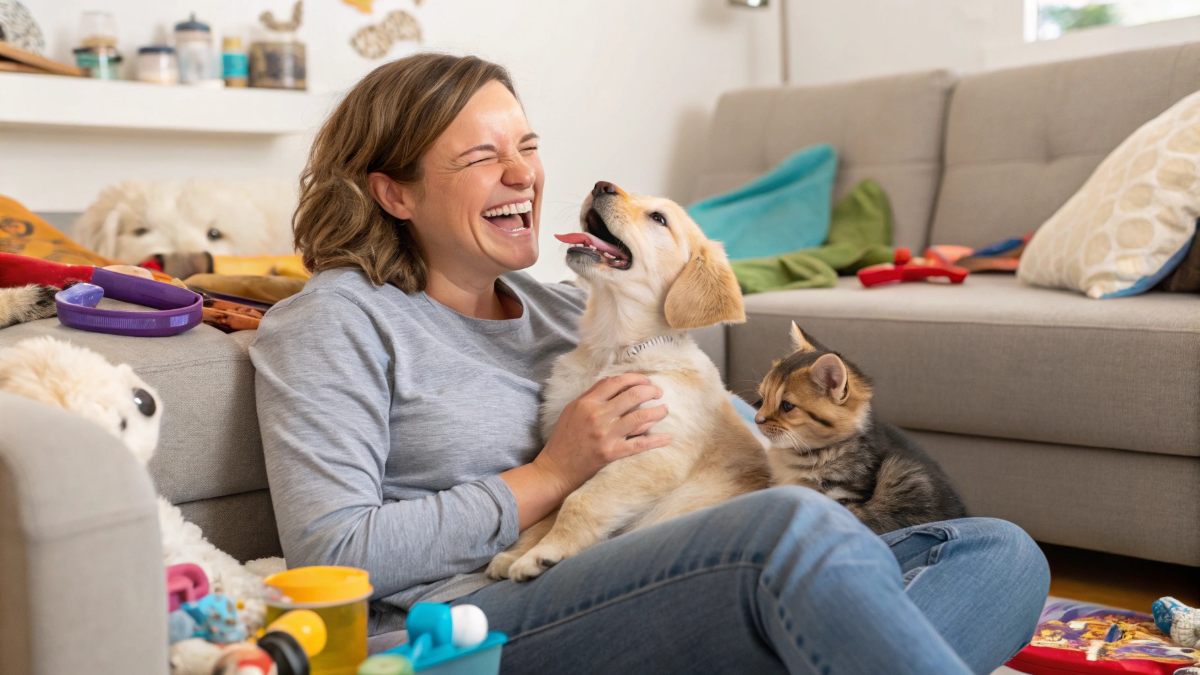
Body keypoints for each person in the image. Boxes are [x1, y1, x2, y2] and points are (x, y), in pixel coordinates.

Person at [250, 53, 1049, 674]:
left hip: (652, 573)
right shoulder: (335, 320)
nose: (525, 174)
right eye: (482, 157)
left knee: (998, 551)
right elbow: (333, 552)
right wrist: (553, 471)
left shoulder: (569, 303)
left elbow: (701, 433)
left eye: (526, 147)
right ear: (395, 192)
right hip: (476, 621)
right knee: (791, 530)